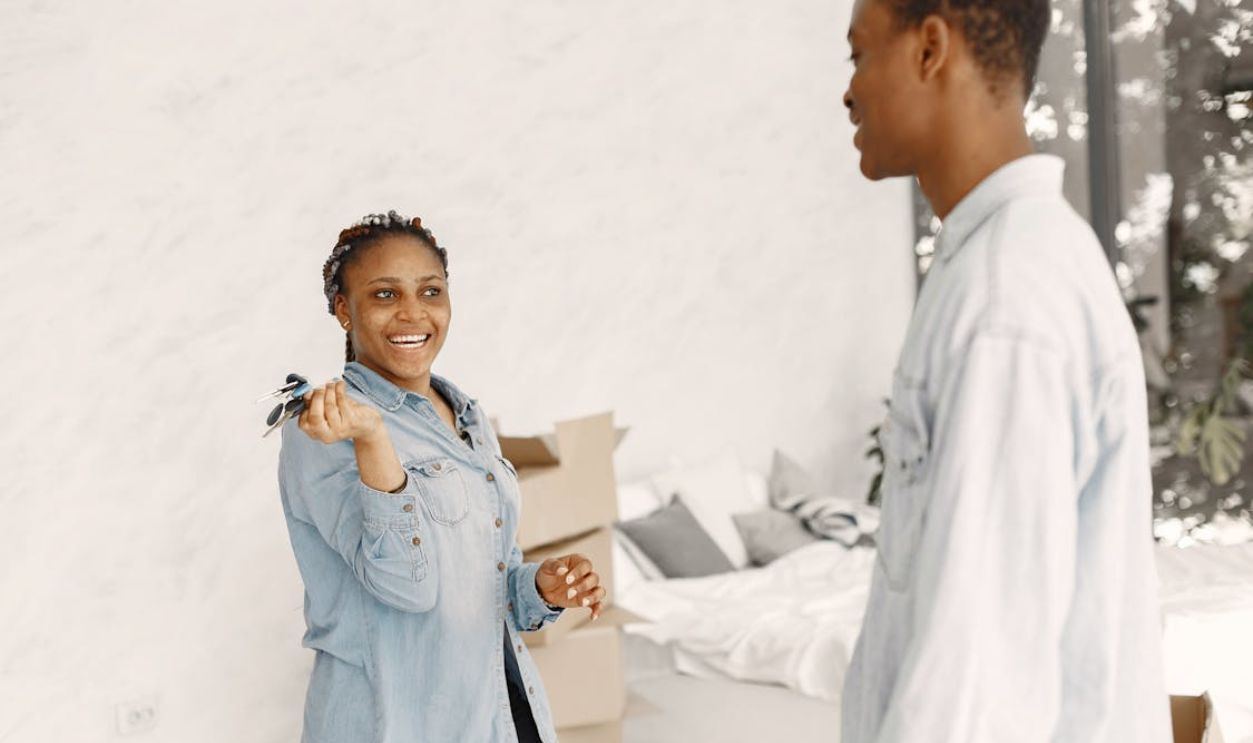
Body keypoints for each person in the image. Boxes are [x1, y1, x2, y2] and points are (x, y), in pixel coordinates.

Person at [839, 1, 1171, 740]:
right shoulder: (1006, 260)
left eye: (858, 55)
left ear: (930, 49)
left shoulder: (1003, 299)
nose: (848, 91)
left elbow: (976, 684)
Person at [277, 211, 605, 743]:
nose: (413, 313)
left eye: (430, 291)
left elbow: (488, 583)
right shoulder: (324, 427)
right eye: (385, 294)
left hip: (499, 714)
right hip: (398, 725)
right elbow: (405, 588)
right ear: (343, 309)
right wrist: (374, 439)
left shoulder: (467, 415)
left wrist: (541, 586)